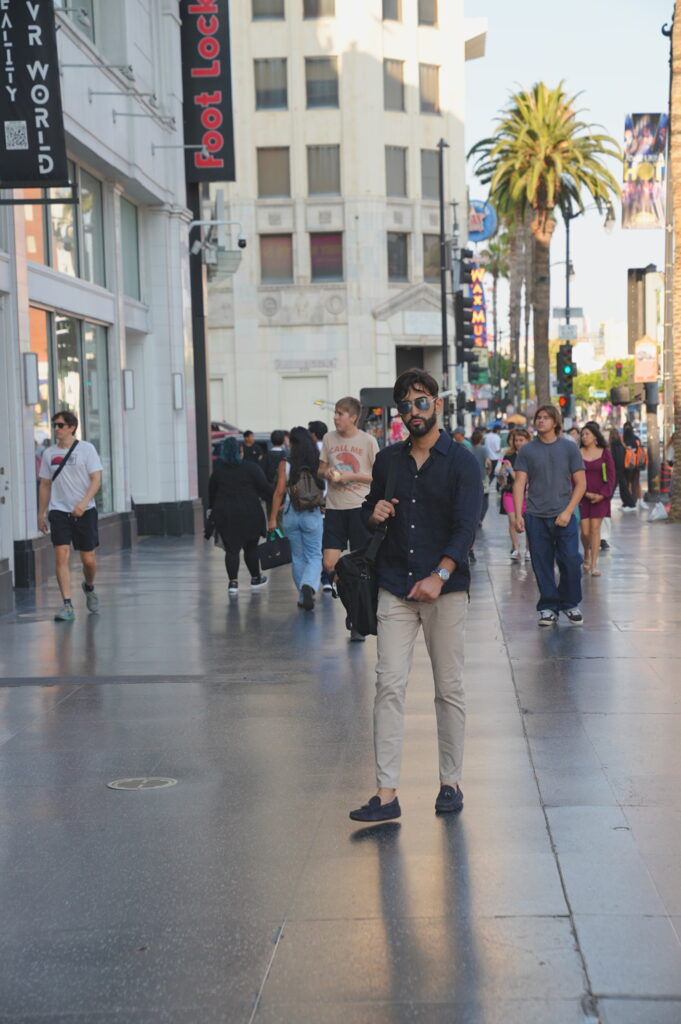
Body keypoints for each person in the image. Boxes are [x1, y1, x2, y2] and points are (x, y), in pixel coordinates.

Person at [349, 368, 481, 823]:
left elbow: (467, 527)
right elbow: (369, 515)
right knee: (388, 685)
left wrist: (440, 574)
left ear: (438, 405)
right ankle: (386, 793)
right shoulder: (387, 461)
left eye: (421, 402)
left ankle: (450, 781)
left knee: (449, 689)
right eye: (405, 405)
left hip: (444, 591)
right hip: (395, 588)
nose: (412, 412)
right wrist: (374, 514)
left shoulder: (462, 462)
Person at [513, 404, 586, 627]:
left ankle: (570, 603)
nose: (541, 421)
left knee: (571, 561)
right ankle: (548, 607)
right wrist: (519, 514)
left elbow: (581, 484)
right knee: (541, 564)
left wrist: (567, 512)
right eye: (538, 417)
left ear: (556, 422)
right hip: (535, 516)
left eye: (546, 418)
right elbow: (519, 483)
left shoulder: (569, 448)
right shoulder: (527, 450)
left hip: (564, 515)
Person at [319, 396, 379, 641]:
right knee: (330, 564)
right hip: (334, 508)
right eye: (335, 413)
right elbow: (320, 468)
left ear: (353, 417)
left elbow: (377, 476)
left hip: (359, 508)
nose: (336, 417)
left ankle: (356, 619)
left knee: (358, 566)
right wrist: (329, 473)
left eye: (341, 413)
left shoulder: (368, 441)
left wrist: (350, 476)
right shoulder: (328, 439)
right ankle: (350, 605)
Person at [38, 410, 103, 622]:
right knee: (61, 555)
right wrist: (41, 513)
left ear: (72, 427)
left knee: (88, 559)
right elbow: (45, 484)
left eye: (60, 425)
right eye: (54, 425)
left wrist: (83, 504)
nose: (56, 429)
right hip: (59, 512)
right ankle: (67, 605)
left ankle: (89, 586)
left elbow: (96, 480)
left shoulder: (87, 450)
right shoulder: (49, 454)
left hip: (85, 511)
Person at [268, 426, 324, 611]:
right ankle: (308, 586)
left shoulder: (286, 462)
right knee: (315, 555)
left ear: (291, 443)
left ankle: (302, 595)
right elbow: (325, 488)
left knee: (297, 557)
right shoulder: (318, 460)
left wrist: (272, 519)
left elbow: (279, 492)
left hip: (291, 513)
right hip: (312, 514)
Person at [208, 437, 272, 597]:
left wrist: (212, 510)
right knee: (251, 547)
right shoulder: (252, 468)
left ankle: (233, 583)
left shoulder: (218, 471)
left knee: (231, 549)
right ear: (240, 452)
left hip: (226, 514)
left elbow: (211, 493)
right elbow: (265, 488)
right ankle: (256, 578)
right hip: (250, 513)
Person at [578, 421, 616, 577]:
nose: (584, 437)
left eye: (587, 434)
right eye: (582, 434)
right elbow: (572, 476)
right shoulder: (577, 452)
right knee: (585, 531)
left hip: (601, 496)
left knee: (595, 530)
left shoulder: (605, 452)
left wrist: (602, 495)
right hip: (582, 496)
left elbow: (612, 476)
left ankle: (594, 564)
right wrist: (583, 492)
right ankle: (586, 552)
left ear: (595, 436)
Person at [497, 427, 531, 561]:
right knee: (512, 521)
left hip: (527, 494)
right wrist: (502, 472)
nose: (518, 443)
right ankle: (516, 549)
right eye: (516, 440)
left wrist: (511, 469)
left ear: (527, 440)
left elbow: (522, 479)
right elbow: (501, 474)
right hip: (510, 492)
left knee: (528, 522)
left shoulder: (531, 455)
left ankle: (528, 549)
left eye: (521, 440)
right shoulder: (508, 455)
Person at [308, 420, 333, 592]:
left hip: (312, 503)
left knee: (313, 546)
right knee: (328, 543)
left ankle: (311, 581)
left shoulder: (308, 452)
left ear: (314, 433)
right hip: (330, 501)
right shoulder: (332, 449)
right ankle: (327, 579)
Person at [609, 426, 634, 509]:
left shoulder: (615, 445)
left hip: (617, 470)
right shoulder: (620, 444)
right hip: (621, 470)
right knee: (623, 487)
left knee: (613, 487)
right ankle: (630, 503)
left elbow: (617, 459)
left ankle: (630, 503)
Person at [622, 421, 644, 507]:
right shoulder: (636, 439)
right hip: (635, 466)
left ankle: (630, 501)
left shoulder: (623, 439)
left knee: (629, 484)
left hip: (627, 465)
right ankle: (634, 501)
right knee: (635, 483)